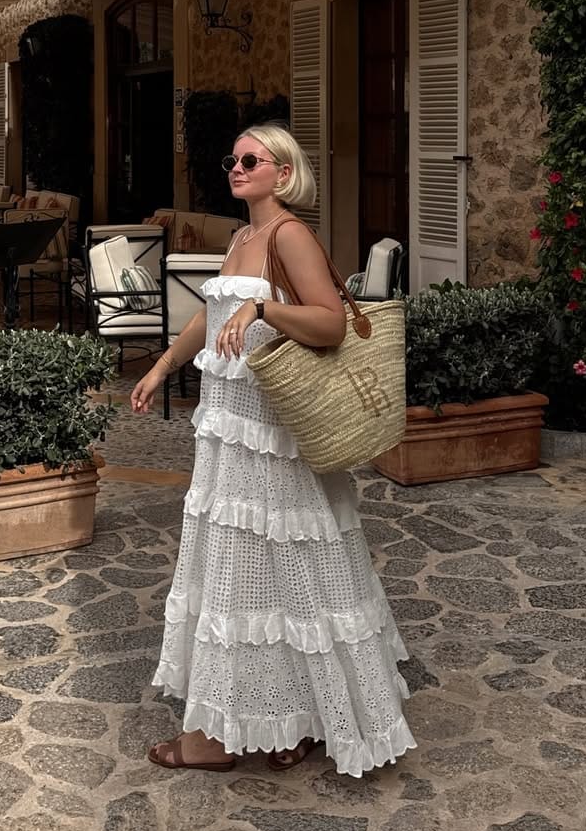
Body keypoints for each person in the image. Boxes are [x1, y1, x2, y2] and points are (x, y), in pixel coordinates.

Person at [130, 122, 415, 776]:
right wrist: (162, 366)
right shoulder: (242, 237)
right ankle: (296, 717)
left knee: (266, 575)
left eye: (250, 160)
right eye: (233, 158)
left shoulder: (287, 233)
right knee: (271, 581)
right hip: (232, 433)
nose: (236, 167)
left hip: (273, 435)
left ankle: (216, 739)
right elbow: (210, 314)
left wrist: (263, 314)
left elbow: (329, 320)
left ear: (282, 173)